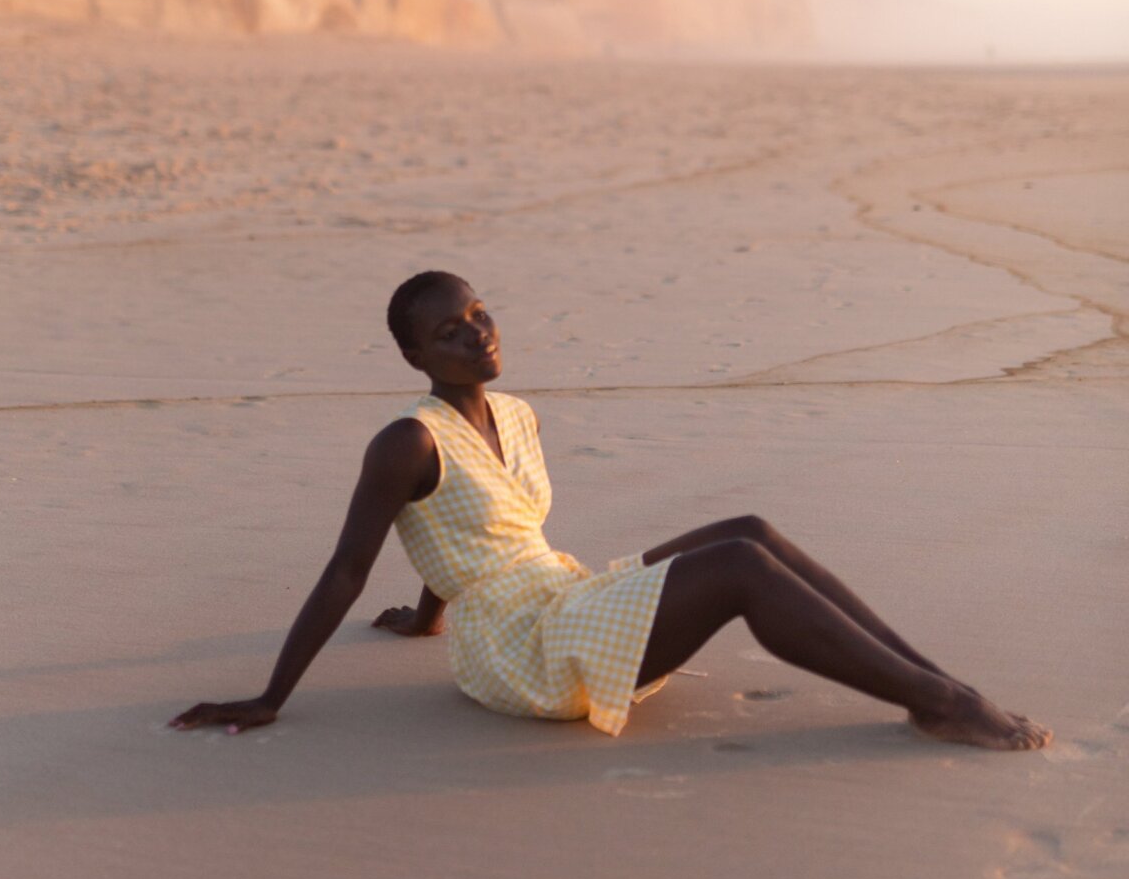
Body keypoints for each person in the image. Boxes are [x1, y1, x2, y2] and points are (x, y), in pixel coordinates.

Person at [170, 271, 1051, 751]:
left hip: (561, 597)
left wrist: (425, 615)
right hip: (522, 652)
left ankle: (940, 685)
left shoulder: (516, 415)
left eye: (480, 313)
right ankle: (935, 700)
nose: (478, 333)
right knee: (741, 572)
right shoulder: (403, 441)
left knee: (748, 529)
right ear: (411, 355)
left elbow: (481, 525)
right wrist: (269, 695)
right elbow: (349, 568)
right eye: (449, 332)